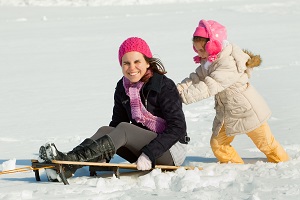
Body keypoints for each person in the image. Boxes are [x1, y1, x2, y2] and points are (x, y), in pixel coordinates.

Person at [38, 37, 189, 181]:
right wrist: (102, 155)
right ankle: (67, 160)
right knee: (105, 130)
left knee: (124, 128)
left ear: (147, 62)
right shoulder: (123, 88)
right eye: (126, 63)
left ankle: (69, 165)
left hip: (170, 150)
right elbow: (116, 124)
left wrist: (149, 154)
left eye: (137, 61)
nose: (132, 68)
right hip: (144, 146)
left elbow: (178, 127)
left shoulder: (164, 85)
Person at [177, 19, 289, 164]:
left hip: (248, 111)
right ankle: (235, 169)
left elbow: (210, 85)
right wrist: (176, 90)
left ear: (213, 46)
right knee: (218, 145)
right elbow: (196, 77)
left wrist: (183, 97)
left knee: (266, 144)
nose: (199, 54)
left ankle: (283, 164)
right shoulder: (209, 61)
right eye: (196, 50)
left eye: (202, 50)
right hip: (227, 113)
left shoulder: (228, 63)